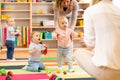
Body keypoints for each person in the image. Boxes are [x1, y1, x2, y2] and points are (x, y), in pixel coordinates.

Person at [74, 0, 120, 80]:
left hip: (109, 73)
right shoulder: (118, 11)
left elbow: (90, 46)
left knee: (78, 53)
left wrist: (85, 40)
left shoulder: (91, 11)